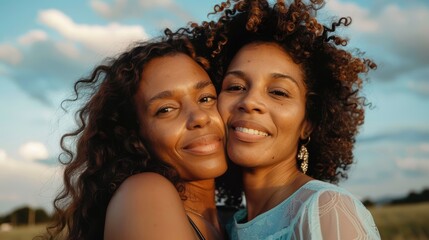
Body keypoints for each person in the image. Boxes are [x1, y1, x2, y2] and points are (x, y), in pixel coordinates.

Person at [185, 0, 381, 239]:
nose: (250, 102)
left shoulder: (325, 209)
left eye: (278, 92)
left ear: (307, 123)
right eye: (235, 86)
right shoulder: (226, 226)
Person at [36, 33, 230, 240]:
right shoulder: (146, 193)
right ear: (134, 134)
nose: (199, 117)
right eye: (166, 109)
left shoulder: (230, 220)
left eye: (206, 98)